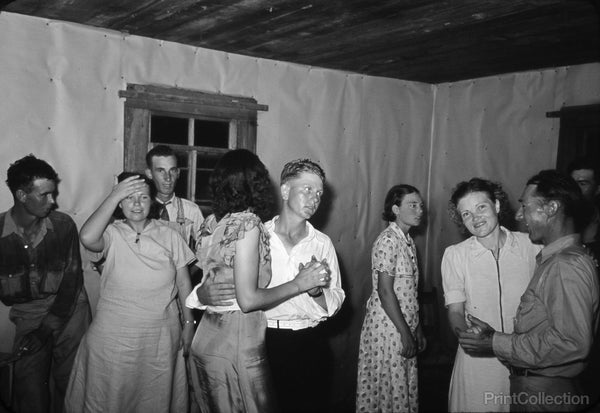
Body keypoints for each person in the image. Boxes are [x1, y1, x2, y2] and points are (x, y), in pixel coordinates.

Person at [193, 157, 345, 412]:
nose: (314, 198)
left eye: (319, 193)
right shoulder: (256, 233)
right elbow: (218, 280)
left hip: (311, 344)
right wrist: (201, 295)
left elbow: (337, 300)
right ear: (285, 190)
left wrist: (317, 291)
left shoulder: (322, 243)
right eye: (307, 189)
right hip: (265, 342)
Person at [458, 170, 599, 412]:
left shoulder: (565, 265)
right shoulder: (554, 260)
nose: (519, 214)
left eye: (526, 206)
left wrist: (495, 342)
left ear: (551, 208)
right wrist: (492, 336)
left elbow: (571, 342)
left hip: (545, 394)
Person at [64, 172, 196, 413]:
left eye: (143, 197)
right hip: (113, 339)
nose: (136, 204)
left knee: (153, 399)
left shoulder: (170, 235)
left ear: (152, 201)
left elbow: (184, 284)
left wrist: (189, 323)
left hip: (159, 338)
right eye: (129, 198)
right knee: (108, 397)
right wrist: (115, 194)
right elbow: (86, 237)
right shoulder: (112, 234)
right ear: (119, 203)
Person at [0, 155, 91, 413]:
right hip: (28, 315)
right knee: (29, 391)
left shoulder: (63, 226)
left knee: (72, 385)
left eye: (54, 194)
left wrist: (45, 330)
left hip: (71, 309)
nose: (53, 202)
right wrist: (36, 330)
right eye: (45, 195)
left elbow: (71, 283)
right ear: (21, 195)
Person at [441, 178, 541, 412]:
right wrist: (467, 337)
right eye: (466, 214)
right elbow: (455, 311)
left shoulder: (532, 246)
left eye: (481, 207)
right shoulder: (455, 255)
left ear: (496, 205)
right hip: (477, 364)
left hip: (523, 359)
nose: (475, 218)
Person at [356, 184, 427, 413]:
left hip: (403, 324)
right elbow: (385, 292)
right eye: (412, 205)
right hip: (387, 327)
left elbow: (410, 292)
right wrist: (405, 332)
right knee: (387, 388)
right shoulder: (387, 240)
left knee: (400, 386)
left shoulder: (408, 242)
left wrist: (416, 329)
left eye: (420, 205)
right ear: (396, 209)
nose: (419, 210)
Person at [145, 144, 204, 251]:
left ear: (178, 173)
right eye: (160, 170)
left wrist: (191, 267)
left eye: (172, 170)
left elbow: (207, 248)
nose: (168, 178)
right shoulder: (140, 209)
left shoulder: (191, 210)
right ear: (149, 173)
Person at [567, 156, 599, 265]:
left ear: (598, 189)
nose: (575, 189)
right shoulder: (559, 220)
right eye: (572, 183)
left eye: (582, 184)